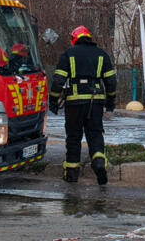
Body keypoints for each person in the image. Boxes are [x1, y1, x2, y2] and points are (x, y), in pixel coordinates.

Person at [49, 25, 117, 185]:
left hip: (75, 103)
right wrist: (110, 103)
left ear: (75, 39)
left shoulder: (68, 54)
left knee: (73, 137)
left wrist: (53, 100)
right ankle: (99, 163)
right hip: (96, 102)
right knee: (95, 134)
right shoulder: (102, 55)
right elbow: (111, 81)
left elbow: (58, 80)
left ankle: (72, 174)